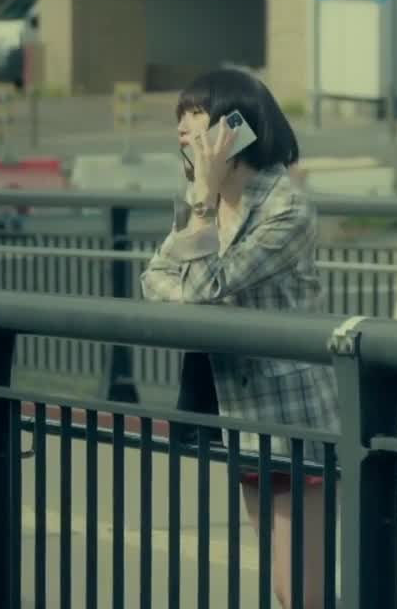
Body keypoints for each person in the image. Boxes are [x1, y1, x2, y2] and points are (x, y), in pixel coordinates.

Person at [140, 68, 336, 609]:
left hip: (292, 418)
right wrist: (201, 207)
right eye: (180, 119)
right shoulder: (204, 201)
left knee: (302, 592)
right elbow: (154, 280)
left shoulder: (286, 208)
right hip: (241, 416)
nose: (182, 130)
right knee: (285, 586)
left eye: (195, 116)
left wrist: (201, 205)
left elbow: (200, 287)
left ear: (235, 128)